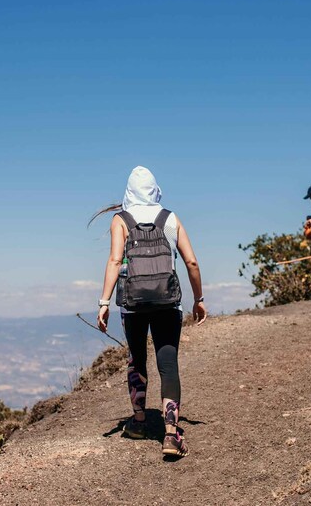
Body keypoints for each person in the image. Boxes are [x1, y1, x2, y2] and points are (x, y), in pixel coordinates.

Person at [92, 166, 207, 458]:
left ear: (128, 192)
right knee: (168, 364)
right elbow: (192, 262)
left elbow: (115, 261)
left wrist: (104, 303)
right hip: (169, 302)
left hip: (132, 304)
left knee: (136, 360)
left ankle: (139, 422)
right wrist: (199, 299)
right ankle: (171, 434)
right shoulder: (170, 218)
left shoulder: (121, 219)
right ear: (156, 190)